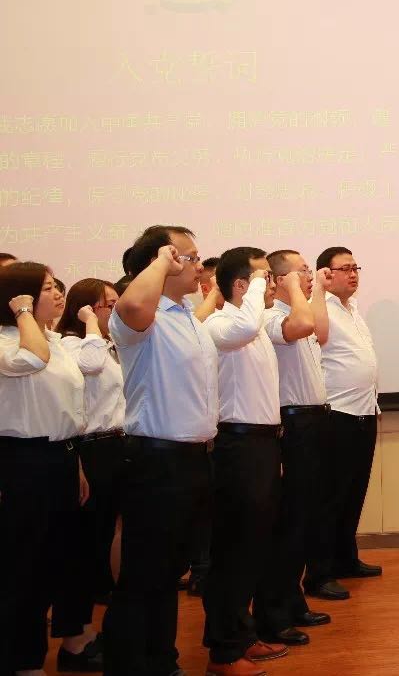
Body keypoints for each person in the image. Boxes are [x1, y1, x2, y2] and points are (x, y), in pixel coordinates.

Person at [103, 225, 217, 676]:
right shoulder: (140, 319)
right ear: (162, 261)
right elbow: (132, 304)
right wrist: (161, 261)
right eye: (188, 257)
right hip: (156, 459)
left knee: (170, 572)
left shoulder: (185, 314)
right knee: (144, 573)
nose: (198, 265)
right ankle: (130, 665)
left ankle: (161, 661)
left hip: (192, 458)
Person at [201, 247, 291, 674]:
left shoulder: (254, 326)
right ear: (242, 285)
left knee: (253, 548)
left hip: (263, 445)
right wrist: (255, 288)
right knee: (233, 550)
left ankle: (241, 634)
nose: (272, 285)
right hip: (237, 447)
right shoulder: (221, 323)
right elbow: (243, 324)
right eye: (264, 278)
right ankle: (223, 652)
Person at [0, 262, 87, 676]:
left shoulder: (56, 340)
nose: (58, 294)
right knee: (25, 568)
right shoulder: (6, 342)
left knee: (58, 561)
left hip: (61, 456)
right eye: (47, 288)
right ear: (20, 297)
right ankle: (23, 662)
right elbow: (31, 360)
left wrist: (77, 465)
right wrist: (21, 312)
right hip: (23, 460)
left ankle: (55, 651)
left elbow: (69, 407)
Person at [254, 250, 334, 643]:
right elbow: (303, 324)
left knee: (305, 519)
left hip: (314, 420)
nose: (309, 275)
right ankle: (272, 614)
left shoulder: (299, 312)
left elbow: (321, 330)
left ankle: (293, 599)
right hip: (293, 422)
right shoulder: (272, 317)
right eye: (301, 271)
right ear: (280, 278)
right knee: (287, 523)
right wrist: (294, 288)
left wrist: (311, 289)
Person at [51, 278, 128, 671]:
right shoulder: (72, 345)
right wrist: (90, 324)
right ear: (86, 308)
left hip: (115, 447)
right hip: (91, 449)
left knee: (99, 544)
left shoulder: (108, 344)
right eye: (107, 305)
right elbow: (91, 364)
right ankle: (74, 642)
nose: (115, 310)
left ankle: (86, 633)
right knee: (81, 549)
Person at [305, 246, 381, 601]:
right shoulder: (320, 307)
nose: (353, 274)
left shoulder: (352, 309)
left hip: (364, 412)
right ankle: (319, 574)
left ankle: (345, 558)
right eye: (344, 268)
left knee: (354, 493)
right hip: (336, 415)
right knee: (329, 498)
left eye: (356, 267)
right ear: (325, 273)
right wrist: (318, 291)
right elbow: (318, 336)